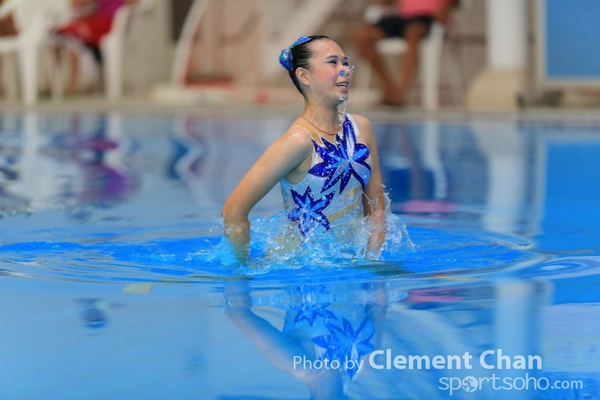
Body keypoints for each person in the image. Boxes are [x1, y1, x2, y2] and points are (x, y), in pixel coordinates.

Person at [222, 35, 387, 264]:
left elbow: (376, 209)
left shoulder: (362, 129)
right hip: (301, 275)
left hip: (351, 269)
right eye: (333, 62)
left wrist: (373, 264)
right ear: (304, 75)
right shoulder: (298, 142)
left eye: (346, 62)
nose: (345, 70)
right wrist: (240, 274)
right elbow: (233, 211)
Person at [352, 0, 458, 107]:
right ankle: (389, 87)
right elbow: (386, 3)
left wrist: (445, 9)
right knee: (361, 35)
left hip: (427, 17)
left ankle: (400, 94)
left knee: (412, 32)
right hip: (399, 16)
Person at [53, 0, 136, 93]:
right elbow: (76, 3)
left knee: (72, 32)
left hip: (109, 23)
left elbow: (132, 5)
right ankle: (57, 84)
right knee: (67, 35)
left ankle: (72, 85)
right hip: (98, 20)